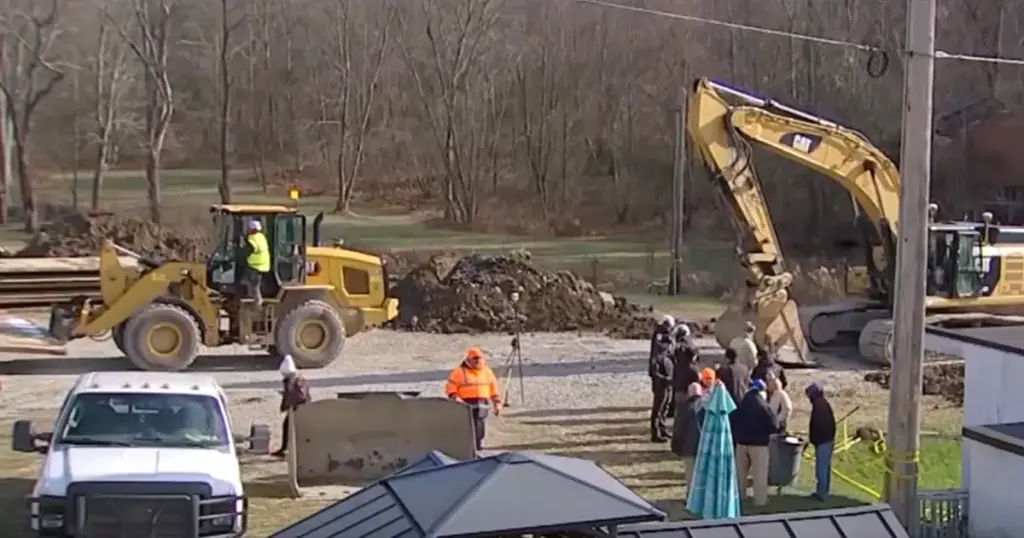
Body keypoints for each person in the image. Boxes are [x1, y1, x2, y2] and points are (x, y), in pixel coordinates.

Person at [730, 379, 779, 507]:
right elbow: (774, 425)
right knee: (759, 475)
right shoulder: (764, 406)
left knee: (740, 474)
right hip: (759, 445)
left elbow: (732, 419)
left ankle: (739, 496)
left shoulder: (741, 403)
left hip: (741, 444)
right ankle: (760, 501)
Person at [445, 348, 502, 450]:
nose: (477, 361)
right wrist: (455, 398)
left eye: (479, 359)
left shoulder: (487, 372)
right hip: (465, 403)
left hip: (482, 404)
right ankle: (467, 447)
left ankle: (478, 446)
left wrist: (497, 403)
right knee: (467, 426)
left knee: (480, 426)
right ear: (468, 360)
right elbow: (451, 387)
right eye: (474, 359)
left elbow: (493, 388)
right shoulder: (458, 372)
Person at [272, 355, 311, 458]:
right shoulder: (300, 379)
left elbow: (293, 395)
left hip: (296, 409)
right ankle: (287, 449)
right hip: (302, 408)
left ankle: (286, 449)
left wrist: (285, 404)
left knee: (289, 427)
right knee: (292, 428)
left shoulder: (291, 381)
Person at [671, 382, 706, 489]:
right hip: (704, 447)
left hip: (688, 448)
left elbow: (678, 429)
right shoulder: (707, 408)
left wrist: (675, 446)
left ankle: (691, 499)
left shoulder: (683, 409)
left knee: (690, 476)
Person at [806, 383, 837, 501]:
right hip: (827, 440)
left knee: (822, 469)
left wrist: (814, 440)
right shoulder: (822, 404)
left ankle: (822, 494)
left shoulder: (819, 406)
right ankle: (823, 492)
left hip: (823, 441)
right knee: (825, 468)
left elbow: (818, 426)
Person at [648, 340, 675, 443]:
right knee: (658, 410)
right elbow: (655, 373)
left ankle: (662, 429)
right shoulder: (656, 359)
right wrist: (665, 379)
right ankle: (655, 434)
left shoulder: (667, 357)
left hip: (668, 387)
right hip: (661, 387)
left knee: (665, 408)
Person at [242, 219, 271, 306]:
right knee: (251, 281)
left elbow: (252, 248)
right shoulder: (261, 236)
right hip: (263, 265)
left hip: (256, 265)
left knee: (253, 284)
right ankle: (252, 296)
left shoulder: (252, 238)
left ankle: (257, 301)